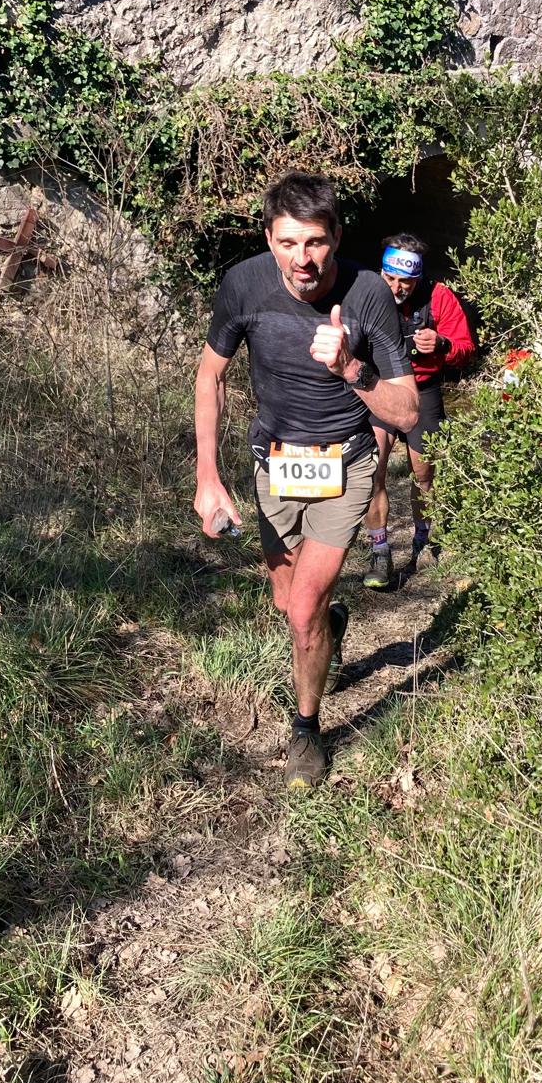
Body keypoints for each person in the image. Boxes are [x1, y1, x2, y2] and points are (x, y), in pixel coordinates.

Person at [193, 172, 418, 789]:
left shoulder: (368, 294)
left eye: (315, 241)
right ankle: (331, 626)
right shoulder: (244, 285)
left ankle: (306, 729)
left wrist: (351, 368)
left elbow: (405, 412)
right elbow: (210, 376)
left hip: (345, 466)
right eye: (288, 243)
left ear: (336, 237)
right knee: (287, 601)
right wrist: (207, 475)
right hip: (275, 465)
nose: (303, 259)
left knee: (301, 612)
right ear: (269, 239)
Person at [363, 232, 476, 589]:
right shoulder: (366, 291)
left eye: (406, 282)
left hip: (423, 391)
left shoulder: (439, 297)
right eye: (390, 278)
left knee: (424, 474)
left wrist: (441, 344)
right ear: (381, 271)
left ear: (419, 277)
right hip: (380, 390)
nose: (396, 288)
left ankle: (423, 539)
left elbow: (466, 348)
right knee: (373, 471)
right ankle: (379, 551)